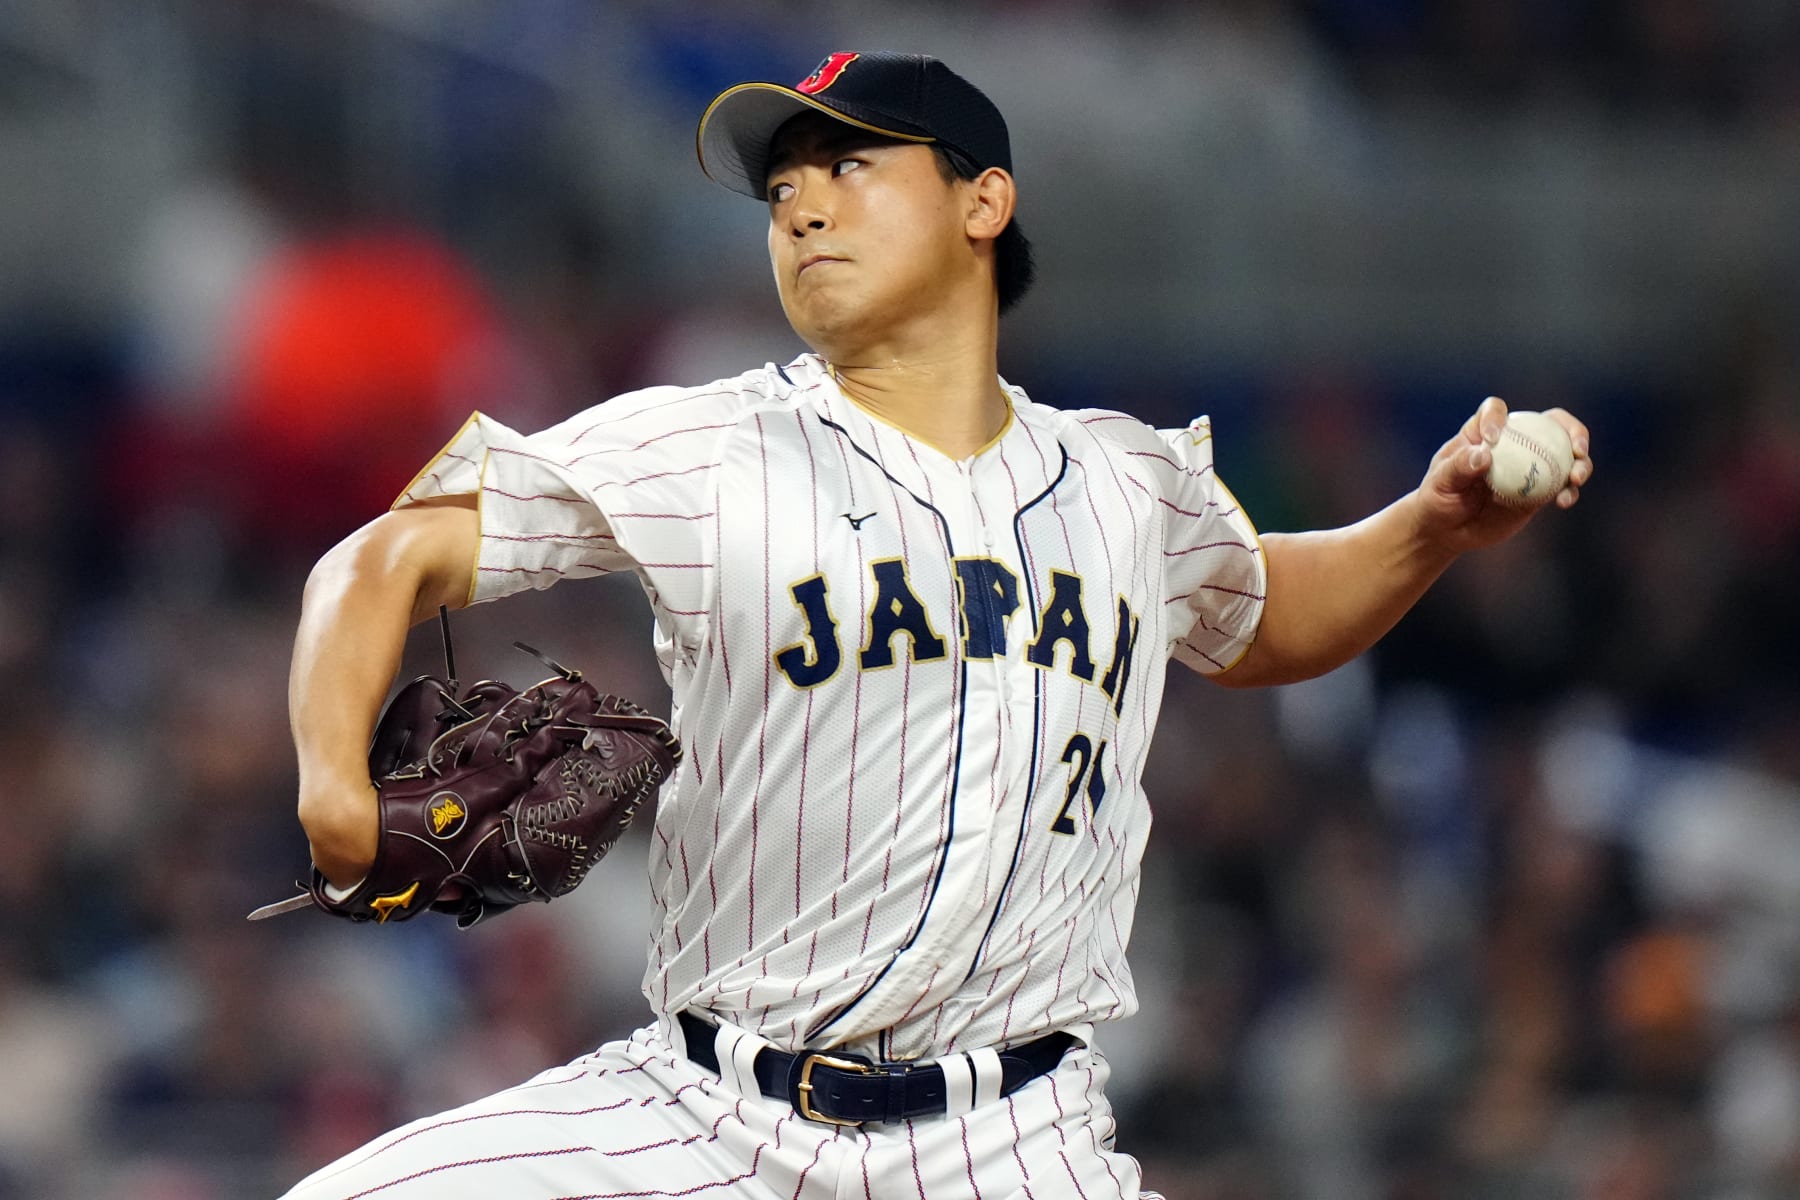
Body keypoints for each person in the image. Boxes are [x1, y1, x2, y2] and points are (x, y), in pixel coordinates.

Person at [280, 51, 1592, 1200]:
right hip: (700, 1122)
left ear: (983, 201)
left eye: (847, 164)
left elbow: (1261, 619)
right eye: (782, 184)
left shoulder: (1126, 482)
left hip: (1010, 1146)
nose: (799, 201)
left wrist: (1425, 529)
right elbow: (387, 554)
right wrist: (338, 784)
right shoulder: (708, 444)